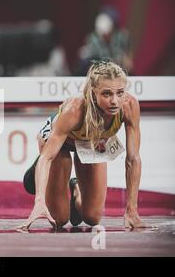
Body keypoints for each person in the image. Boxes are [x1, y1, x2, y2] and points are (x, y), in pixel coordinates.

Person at [20, 59, 146, 230]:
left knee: (92, 217)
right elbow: (47, 157)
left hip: (92, 143)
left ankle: (75, 189)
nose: (115, 101)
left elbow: (133, 160)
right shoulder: (75, 108)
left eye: (120, 93)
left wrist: (132, 210)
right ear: (94, 93)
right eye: (107, 94)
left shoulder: (129, 105)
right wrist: (39, 201)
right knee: (59, 220)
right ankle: (38, 172)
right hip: (61, 144)